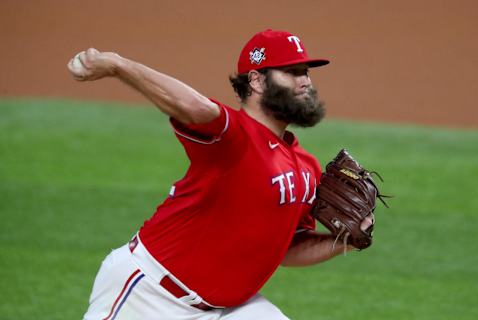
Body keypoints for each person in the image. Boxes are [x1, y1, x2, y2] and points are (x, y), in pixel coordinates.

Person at [68, 29, 374, 320]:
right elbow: (192, 106)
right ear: (256, 81)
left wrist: (344, 242)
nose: (305, 81)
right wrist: (117, 65)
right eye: (292, 72)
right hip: (151, 295)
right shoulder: (233, 137)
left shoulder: (306, 165)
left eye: (306, 71)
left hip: (230, 308)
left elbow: (289, 248)